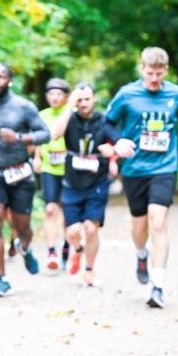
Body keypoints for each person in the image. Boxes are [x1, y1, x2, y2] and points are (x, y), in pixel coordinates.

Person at [106, 47, 178, 308]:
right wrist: (118, 141)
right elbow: (107, 123)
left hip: (164, 167)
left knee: (158, 222)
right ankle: (141, 254)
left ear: (166, 70)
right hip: (134, 169)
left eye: (159, 74)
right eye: (150, 73)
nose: (155, 79)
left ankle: (158, 286)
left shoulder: (175, 94)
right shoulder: (127, 94)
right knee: (139, 227)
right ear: (142, 69)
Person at [0, 64, 50, 297]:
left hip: (20, 172)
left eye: (2, 76)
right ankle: (2, 279)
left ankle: (25, 247)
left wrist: (19, 138)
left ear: (10, 81)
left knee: (22, 227)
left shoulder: (24, 107)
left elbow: (45, 134)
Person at [48, 83, 135, 286]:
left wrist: (114, 152)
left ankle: (89, 270)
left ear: (94, 98)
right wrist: (69, 106)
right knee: (72, 232)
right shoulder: (69, 118)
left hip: (97, 183)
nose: (84, 103)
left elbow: (117, 141)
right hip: (72, 182)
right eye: (79, 100)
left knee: (91, 228)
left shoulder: (104, 120)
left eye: (87, 99)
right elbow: (55, 134)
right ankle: (78, 250)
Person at [33, 78, 72, 272]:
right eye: (51, 94)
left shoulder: (71, 113)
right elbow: (39, 138)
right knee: (50, 209)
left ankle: (66, 246)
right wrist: (37, 157)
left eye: (59, 94)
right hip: (49, 167)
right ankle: (51, 252)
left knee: (67, 211)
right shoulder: (42, 115)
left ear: (66, 97)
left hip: (69, 168)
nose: (55, 98)